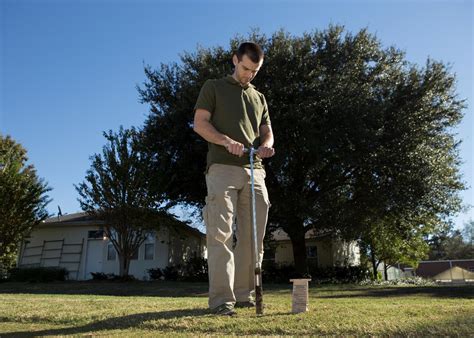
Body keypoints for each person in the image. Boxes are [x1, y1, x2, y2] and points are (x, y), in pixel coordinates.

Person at [193, 42, 275, 316]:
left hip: (255, 170)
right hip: (222, 168)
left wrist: (265, 145)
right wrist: (226, 141)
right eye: (245, 68)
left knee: (254, 238)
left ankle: (244, 294)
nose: (248, 75)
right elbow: (200, 124)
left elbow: (267, 132)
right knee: (220, 235)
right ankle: (221, 301)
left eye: (254, 71)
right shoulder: (213, 87)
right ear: (234, 60)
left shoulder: (259, 98)